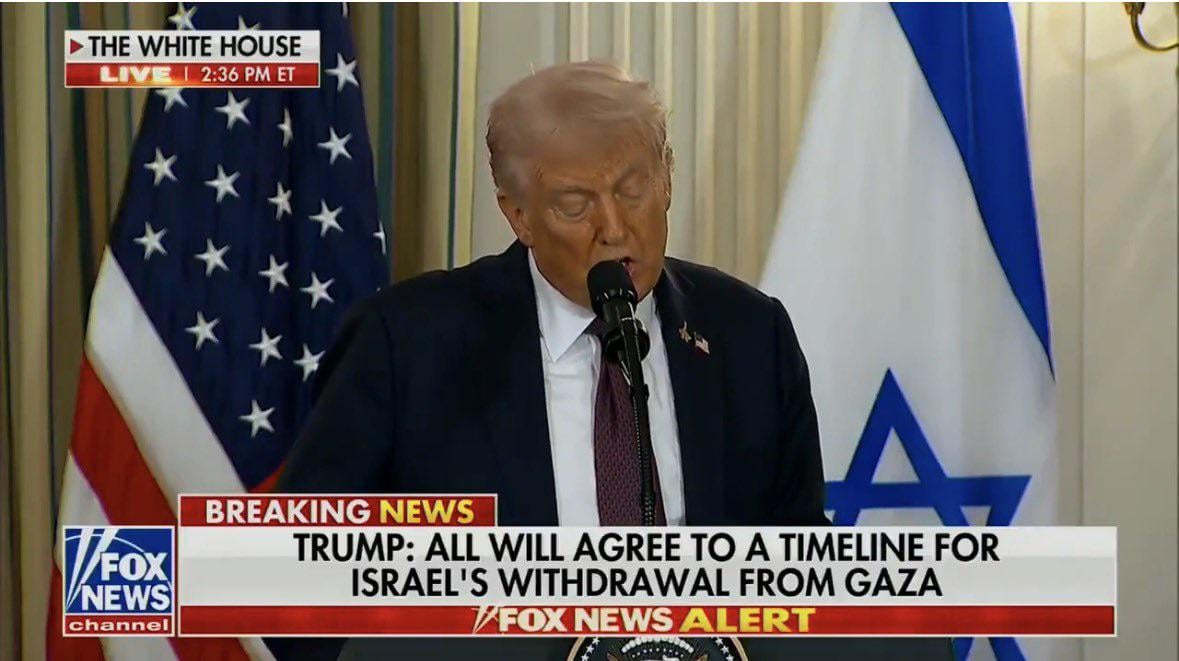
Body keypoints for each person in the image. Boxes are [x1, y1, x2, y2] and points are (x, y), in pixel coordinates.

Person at [279, 60, 826, 528]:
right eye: (575, 204)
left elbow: (801, 557)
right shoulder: (404, 346)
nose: (614, 228)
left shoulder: (749, 334)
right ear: (519, 216)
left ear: (667, 179)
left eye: (632, 190)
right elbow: (308, 558)